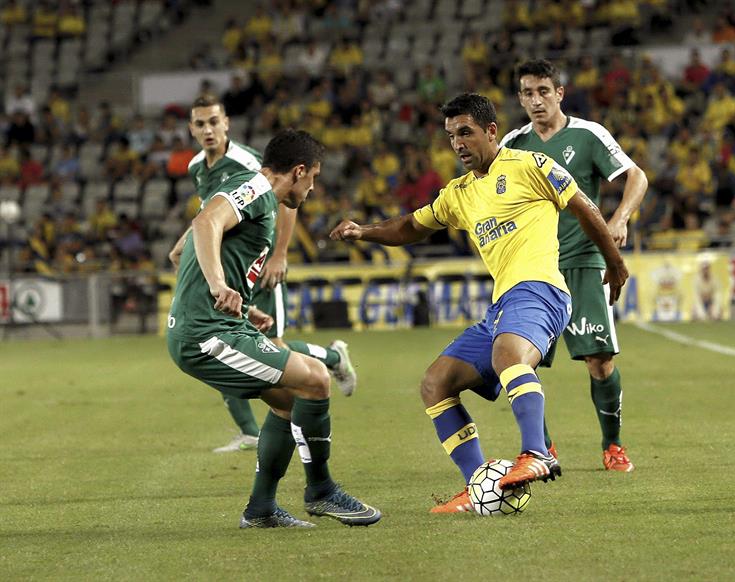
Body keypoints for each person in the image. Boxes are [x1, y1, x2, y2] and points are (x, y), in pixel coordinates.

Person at [330, 94, 628, 512]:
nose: (458, 143)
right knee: (436, 383)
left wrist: (615, 264)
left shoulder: (530, 165)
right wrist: (364, 232)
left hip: (541, 289)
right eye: (451, 135)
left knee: (509, 356)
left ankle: (538, 453)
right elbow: (410, 227)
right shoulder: (459, 194)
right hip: (502, 305)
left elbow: (584, 207)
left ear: (491, 131)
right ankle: (477, 487)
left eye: (465, 132)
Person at [167, 129, 380, 528]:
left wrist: (242, 308)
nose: (312, 188)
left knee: (287, 401)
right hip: (205, 334)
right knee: (315, 378)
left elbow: (182, 252)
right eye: (313, 178)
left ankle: (261, 509)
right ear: (298, 171)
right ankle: (321, 491)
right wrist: (218, 286)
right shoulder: (257, 188)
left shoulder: (246, 188)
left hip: (219, 325)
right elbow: (206, 223)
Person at [169, 96, 356, 454]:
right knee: (238, 346)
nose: (208, 130)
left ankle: (331, 360)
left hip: (256, 263)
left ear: (226, 123)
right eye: (200, 124)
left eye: (213, 121)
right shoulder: (197, 166)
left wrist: (279, 254)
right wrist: (189, 249)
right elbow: (211, 213)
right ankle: (257, 436)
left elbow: (282, 199)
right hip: (227, 264)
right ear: (191, 129)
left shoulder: (249, 163)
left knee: (271, 348)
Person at [500, 58, 648, 472]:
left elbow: (637, 176)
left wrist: (620, 219)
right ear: (520, 99)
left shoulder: (587, 135)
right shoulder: (513, 144)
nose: (536, 100)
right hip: (533, 267)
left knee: (599, 361)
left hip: (584, 261)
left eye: (543, 91)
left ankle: (613, 445)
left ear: (559, 93)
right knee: (519, 360)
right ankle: (541, 447)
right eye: (528, 93)